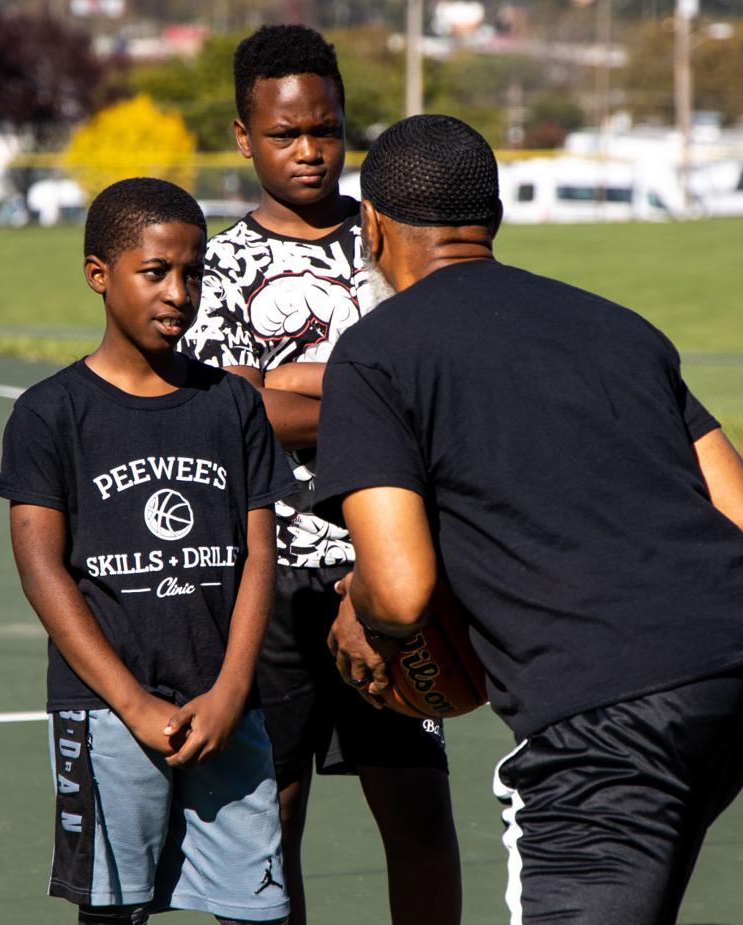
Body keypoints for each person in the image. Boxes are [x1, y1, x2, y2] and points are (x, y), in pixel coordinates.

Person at [314, 114, 743, 925]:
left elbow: (398, 590)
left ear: (371, 226)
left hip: (606, 714)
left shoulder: (375, 353)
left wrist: (359, 610)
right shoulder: (620, 326)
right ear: (495, 219)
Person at [178, 25, 460, 925]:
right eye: (285, 133)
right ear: (243, 136)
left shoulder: (391, 242)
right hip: (271, 577)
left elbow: (440, 385)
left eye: (327, 130)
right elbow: (236, 413)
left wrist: (291, 382)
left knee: (418, 807)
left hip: (392, 566)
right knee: (274, 814)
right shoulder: (220, 264)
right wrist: (371, 393)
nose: (310, 150)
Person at [0, 177, 295, 925]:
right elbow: (41, 568)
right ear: (99, 274)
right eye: (155, 272)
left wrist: (231, 691)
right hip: (107, 711)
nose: (178, 293)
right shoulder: (50, 413)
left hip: (225, 706)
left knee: (258, 911)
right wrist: (131, 703)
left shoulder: (232, 404)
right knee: (113, 912)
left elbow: (260, 556)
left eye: (193, 272)